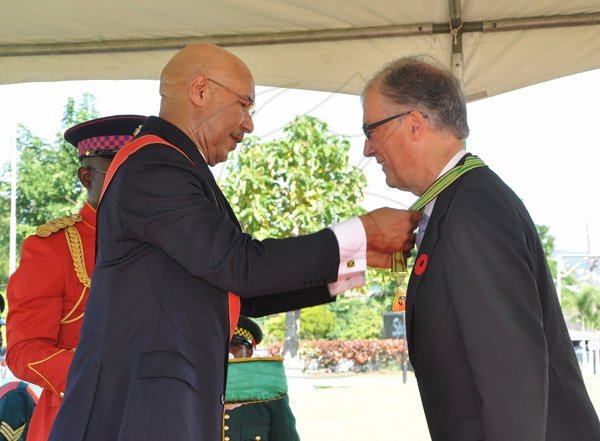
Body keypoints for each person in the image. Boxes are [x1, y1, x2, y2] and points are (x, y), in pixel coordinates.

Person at [48, 43, 420, 441]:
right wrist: (361, 233)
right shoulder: (155, 166)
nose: (249, 125)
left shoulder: (175, 166)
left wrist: (358, 259)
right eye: (244, 105)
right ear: (200, 90)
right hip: (137, 413)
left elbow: (242, 293)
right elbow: (242, 266)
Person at [362, 55, 600, 440]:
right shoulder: (461, 201)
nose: (367, 149)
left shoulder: (472, 210)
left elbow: (514, 377)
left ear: (414, 124)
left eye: (370, 130)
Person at [5, 115, 146, 441]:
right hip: (78, 421)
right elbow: (23, 351)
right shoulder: (52, 248)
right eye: (119, 171)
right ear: (86, 177)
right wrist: (100, 373)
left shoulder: (168, 242)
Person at [224, 316, 300, 441]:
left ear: (249, 352)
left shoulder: (269, 394)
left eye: (235, 345)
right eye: (220, 346)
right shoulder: (200, 393)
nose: (228, 352)